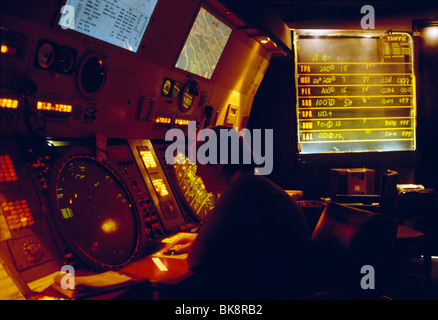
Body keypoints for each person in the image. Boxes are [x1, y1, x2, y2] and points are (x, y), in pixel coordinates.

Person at [165, 126, 313, 299]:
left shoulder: (241, 189)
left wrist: (201, 245)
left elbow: (196, 259)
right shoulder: (251, 183)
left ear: (219, 163)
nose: (197, 173)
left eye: (199, 164)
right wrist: (199, 240)